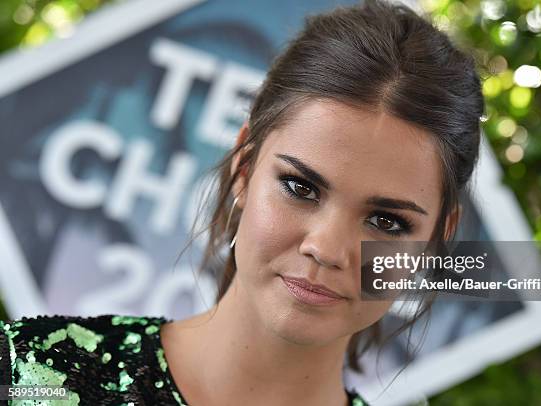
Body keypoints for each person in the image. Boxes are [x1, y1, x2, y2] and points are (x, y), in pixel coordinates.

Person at [0, 0, 484, 404]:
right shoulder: (32, 377)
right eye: (301, 188)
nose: (328, 248)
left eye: (386, 221)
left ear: (438, 236)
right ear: (244, 168)